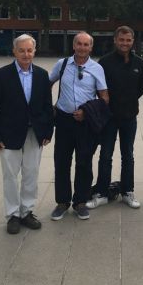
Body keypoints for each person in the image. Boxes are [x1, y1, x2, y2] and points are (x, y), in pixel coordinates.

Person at [0, 34, 54, 234]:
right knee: (10, 176)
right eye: (22, 50)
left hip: (35, 133)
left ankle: (27, 211)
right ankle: (13, 214)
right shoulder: (1, 75)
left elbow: (47, 107)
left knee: (31, 173)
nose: (26, 54)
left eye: (29, 50)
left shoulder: (42, 75)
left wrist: (48, 131)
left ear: (35, 51)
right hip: (8, 135)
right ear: (14, 51)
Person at [49, 32, 108, 221]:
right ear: (73, 45)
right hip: (64, 120)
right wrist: (49, 107)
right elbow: (47, 83)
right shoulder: (62, 64)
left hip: (85, 123)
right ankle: (62, 202)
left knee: (84, 162)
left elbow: (105, 98)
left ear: (91, 47)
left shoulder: (96, 68)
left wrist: (86, 111)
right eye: (79, 44)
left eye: (86, 45)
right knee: (61, 161)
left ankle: (80, 202)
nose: (82, 48)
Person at [87, 26, 143, 210]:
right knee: (105, 155)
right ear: (115, 40)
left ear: (132, 41)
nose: (125, 43)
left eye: (128, 40)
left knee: (128, 155)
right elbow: (98, 87)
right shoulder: (104, 63)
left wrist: (127, 101)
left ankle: (127, 191)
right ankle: (102, 193)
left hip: (129, 117)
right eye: (122, 40)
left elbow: (141, 88)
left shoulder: (139, 63)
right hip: (109, 117)